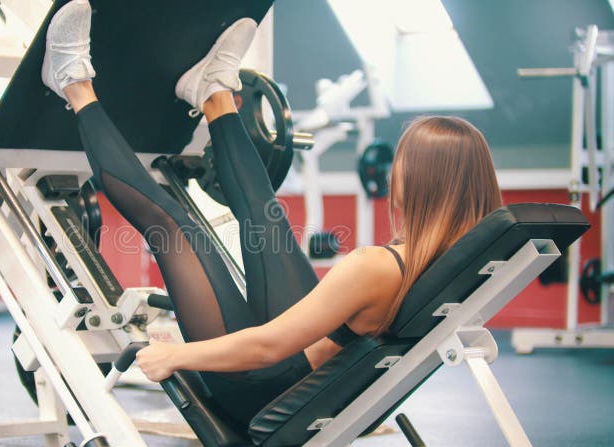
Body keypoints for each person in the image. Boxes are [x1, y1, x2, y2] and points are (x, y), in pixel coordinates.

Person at [42, 0, 502, 424]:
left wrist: (175, 356)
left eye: (402, 164)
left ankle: (72, 84)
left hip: (262, 388)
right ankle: (214, 93)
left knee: (174, 229)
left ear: (416, 186)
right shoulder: (458, 266)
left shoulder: (376, 268)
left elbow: (267, 347)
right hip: (300, 373)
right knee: (266, 217)